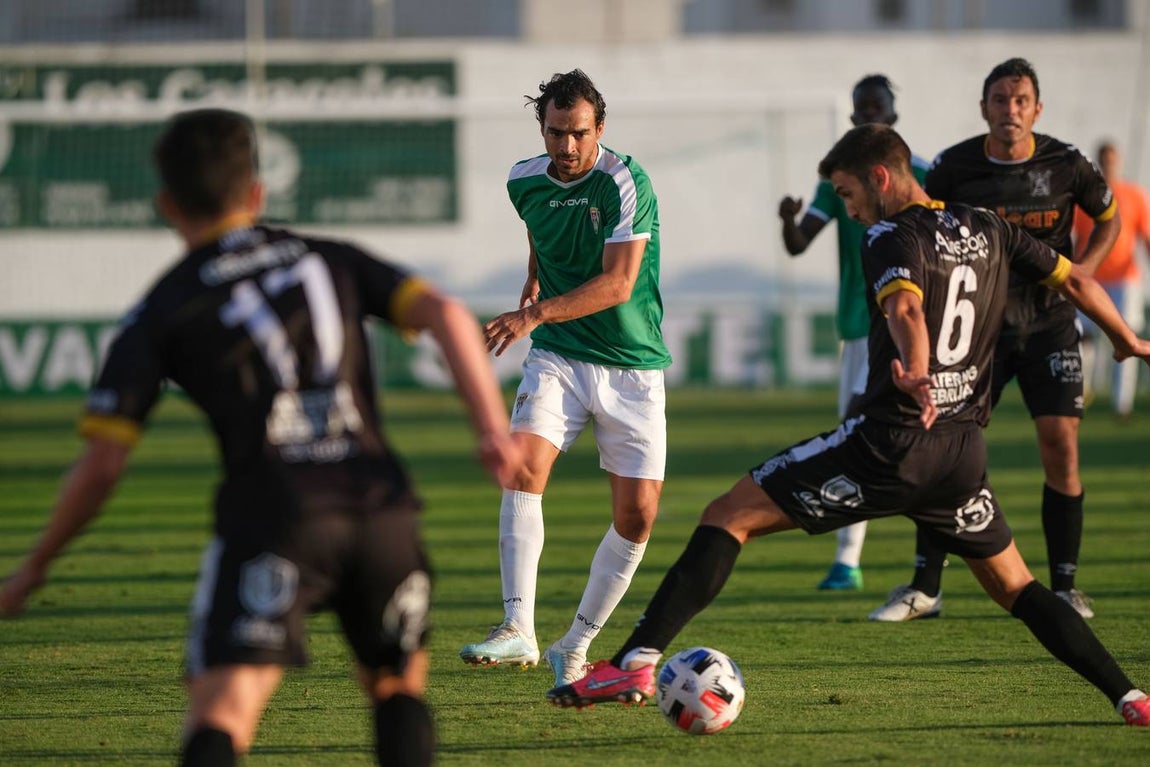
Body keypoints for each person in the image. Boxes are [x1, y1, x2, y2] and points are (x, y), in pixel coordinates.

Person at [543, 123, 1150, 728]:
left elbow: (907, 306)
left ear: (879, 177)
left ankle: (636, 659)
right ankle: (1130, 697)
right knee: (1017, 586)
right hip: (961, 455)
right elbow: (1075, 278)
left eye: (847, 193)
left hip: (889, 441)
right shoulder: (988, 226)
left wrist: (916, 370)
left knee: (730, 514)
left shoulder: (889, 234)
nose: (850, 209)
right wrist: (1125, 339)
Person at [0, 108, 521, 767]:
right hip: (381, 507)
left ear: (167, 205)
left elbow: (103, 462)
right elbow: (446, 311)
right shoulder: (329, 257)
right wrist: (489, 429)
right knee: (394, 685)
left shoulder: (163, 306)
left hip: (276, 517)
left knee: (225, 709)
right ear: (256, 193)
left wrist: (36, 565)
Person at [869, 57, 1121, 622]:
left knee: (1061, 449)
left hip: (1051, 325)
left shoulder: (1065, 164)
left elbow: (1109, 217)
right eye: (1000, 100)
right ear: (984, 108)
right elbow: (922, 227)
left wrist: (1086, 274)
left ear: (1037, 108)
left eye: (1021, 100)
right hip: (978, 333)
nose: (1011, 110)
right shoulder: (955, 167)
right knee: (942, 451)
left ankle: (1064, 587)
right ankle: (925, 589)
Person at [458, 69, 671, 688]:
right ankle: (516, 629)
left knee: (639, 515)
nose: (567, 147)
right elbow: (540, 228)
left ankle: (574, 645)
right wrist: (533, 276)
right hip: (558, 356)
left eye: (578, 133)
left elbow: (618, 284)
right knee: (522, 466)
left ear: (599, 128)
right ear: (542, 128)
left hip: (632, 366)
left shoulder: (626, 182)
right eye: (556, 133)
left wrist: (532, 311)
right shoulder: (522, 181)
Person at [778, 73, 930, 591]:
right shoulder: (835, 180)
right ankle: (849, 560)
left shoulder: (925, 177)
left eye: (878, 108)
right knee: (858, 437)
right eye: (862, 109)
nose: (870, 116)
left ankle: (929, 563)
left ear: (893, 117)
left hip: (914, 329)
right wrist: (787, 222)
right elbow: (800, 243)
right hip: (860, 331)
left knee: (923, 438)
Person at [1073, 141, 1150, 419]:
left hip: (1125, 280)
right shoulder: (1085, 196)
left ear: (1118, 161)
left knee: (1127, 340)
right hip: (1091, 279)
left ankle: (1122, 405)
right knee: (1084, 338)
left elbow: (1145, 237)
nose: (1108, 164)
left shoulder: (1132, 195)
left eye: (1112, 159)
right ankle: (1079, 397)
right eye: (1103, 159)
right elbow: (1074, 238)